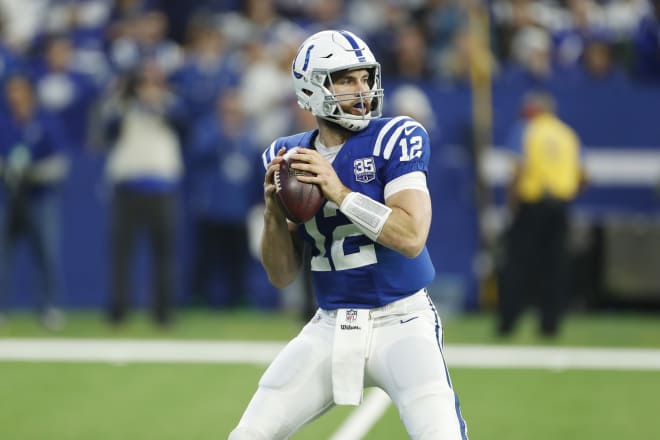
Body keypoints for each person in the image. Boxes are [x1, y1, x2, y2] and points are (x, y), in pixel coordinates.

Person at [229, 29, 468, 440]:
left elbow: (412, 236)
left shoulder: (396, 137)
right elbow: (282, 275)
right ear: (311, 87)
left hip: (403, 319)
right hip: (330, 324)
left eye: (365, 78)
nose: (362, 90)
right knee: (249, 434)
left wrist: (338, 191)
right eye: (345, 80)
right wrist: (273, 212)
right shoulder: (287, 156)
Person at [498, 91, 587, 338]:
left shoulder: (526, 130)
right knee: (556, 267)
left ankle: (508, 322)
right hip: (560, 207)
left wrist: (512, 206)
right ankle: (550, 324)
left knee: (517, 264)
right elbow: (584, 175)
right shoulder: (567, 134)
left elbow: (517, 170)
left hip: (531, 204)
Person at [0, 75, 69, 330]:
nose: (13, 97)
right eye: (10, 92)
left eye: (18, 91)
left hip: (41, 197)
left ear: (29, 93)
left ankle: (50, 307)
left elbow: (60, 165)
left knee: (47, 253)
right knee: (1, 255)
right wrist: (7, 170)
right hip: (7, 197)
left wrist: (32, 173)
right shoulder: (4, 123)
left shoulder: (47, 122)